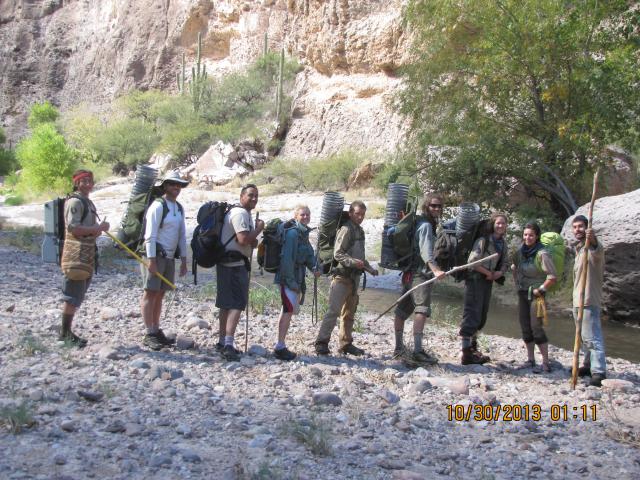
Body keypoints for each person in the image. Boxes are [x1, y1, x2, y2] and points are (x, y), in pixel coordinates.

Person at [315, 200, 378, 356]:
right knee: (333, 311)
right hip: (342, 277)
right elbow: (338, 253)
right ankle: (321, 343)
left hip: (354, 278)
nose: (360, 217)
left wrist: (369, 268)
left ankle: (346, 343)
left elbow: (360, 256)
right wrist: (353, 263)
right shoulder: (346, 229)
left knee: (349, 313)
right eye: (357, 214)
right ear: (350, 213)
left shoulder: (360, 231)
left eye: (362, 214)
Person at [391, 194, 446, 364]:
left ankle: (399, 348)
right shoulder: (426, 226)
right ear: (426, 207)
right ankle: (417, 351)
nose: (436, 209)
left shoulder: (420, 223)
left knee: (402, 310)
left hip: (409, 273)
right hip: (419, 275)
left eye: (439, 206)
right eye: (433, 206)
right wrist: (435, 270)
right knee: (421, 310)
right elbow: (426, 252)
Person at [59, 170, 110, 347]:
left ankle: (66, 331)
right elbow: (74, 228)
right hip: (75, 255)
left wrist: (99, 229)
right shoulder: (74, 202)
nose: (88, 184)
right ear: (77, 183)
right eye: (84, 181)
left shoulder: (88, 202)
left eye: (90, 181)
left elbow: (88, 231)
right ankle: (64, 332)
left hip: (86, 255)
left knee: (77, 294)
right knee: (72, 294)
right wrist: (98, 228)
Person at [140, 171, 189, 350]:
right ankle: (149, 332)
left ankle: (155, 328)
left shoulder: (179, 207)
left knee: (160, 293)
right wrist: (151, 260)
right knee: (150, 292)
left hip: (169, 257)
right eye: (173, 184)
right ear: (165, 186)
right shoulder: (158, 206)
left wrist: (184, 260)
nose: (176, 187)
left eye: (179, 185)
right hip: (155, 256)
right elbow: (150, 235)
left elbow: (182, 235)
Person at [216, 184, 264, 361]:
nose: (254, 199)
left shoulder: (238, 213)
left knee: (225, 304)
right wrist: (259, 229)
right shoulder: (240, 214)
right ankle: (228, 344)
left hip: (227, 262)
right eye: (250, 195)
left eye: (256, 196)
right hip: (235, 264)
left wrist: (253, 240)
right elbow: (243, 239)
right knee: (236, 304)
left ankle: (222, 341)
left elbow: (246, 240)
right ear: (241, 196)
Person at [458, 212, 509, 364]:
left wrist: (499, 273)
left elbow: (505, 262)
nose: (500, 226)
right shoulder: (483, 241)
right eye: (498, 223)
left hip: (488, 281)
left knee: (481, 315)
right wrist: (488, 273)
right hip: (475, 280)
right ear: (493, 224)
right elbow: (472, 261)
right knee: (471, 314)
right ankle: (466, 354)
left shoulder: (503, 243)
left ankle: (473, 348)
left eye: (503, 223)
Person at [273, 205, 321, 361]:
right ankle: (280, 347)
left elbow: (308, 255)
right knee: (288, 310)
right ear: (295, 216)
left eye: (308, 214)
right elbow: (287, 260)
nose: (305, 217)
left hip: (297, 278)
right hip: (288, 279)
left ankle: (280, 344)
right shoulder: (293, 234)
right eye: (302, 215)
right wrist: (291, 282)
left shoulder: (303, 234)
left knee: (288, 310)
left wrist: (315, 267)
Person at [511, 222, 557, 372]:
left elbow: (552, 276)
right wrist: (516, 283)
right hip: (523, 292)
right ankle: (530, 359)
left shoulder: (542, 253)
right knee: (525, 327)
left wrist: (542, 289)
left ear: (536, 236)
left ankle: (545, 362)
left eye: (531, 235)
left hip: (537, 295)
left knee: (536, 327)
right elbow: (514, 267)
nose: (527, 237)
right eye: (525, 234)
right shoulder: (520, 252)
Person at [571, 215, 607, 387]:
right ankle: (587, 365)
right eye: (575, 227)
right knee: (583, 338)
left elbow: (596, 246)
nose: (577, 230)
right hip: (577, 300)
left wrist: (592, 238)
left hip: (588, 300)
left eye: (581, 227)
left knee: (592, 338)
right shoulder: (578, 250)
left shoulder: (593, 249)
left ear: (587, 229)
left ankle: (599, 372)